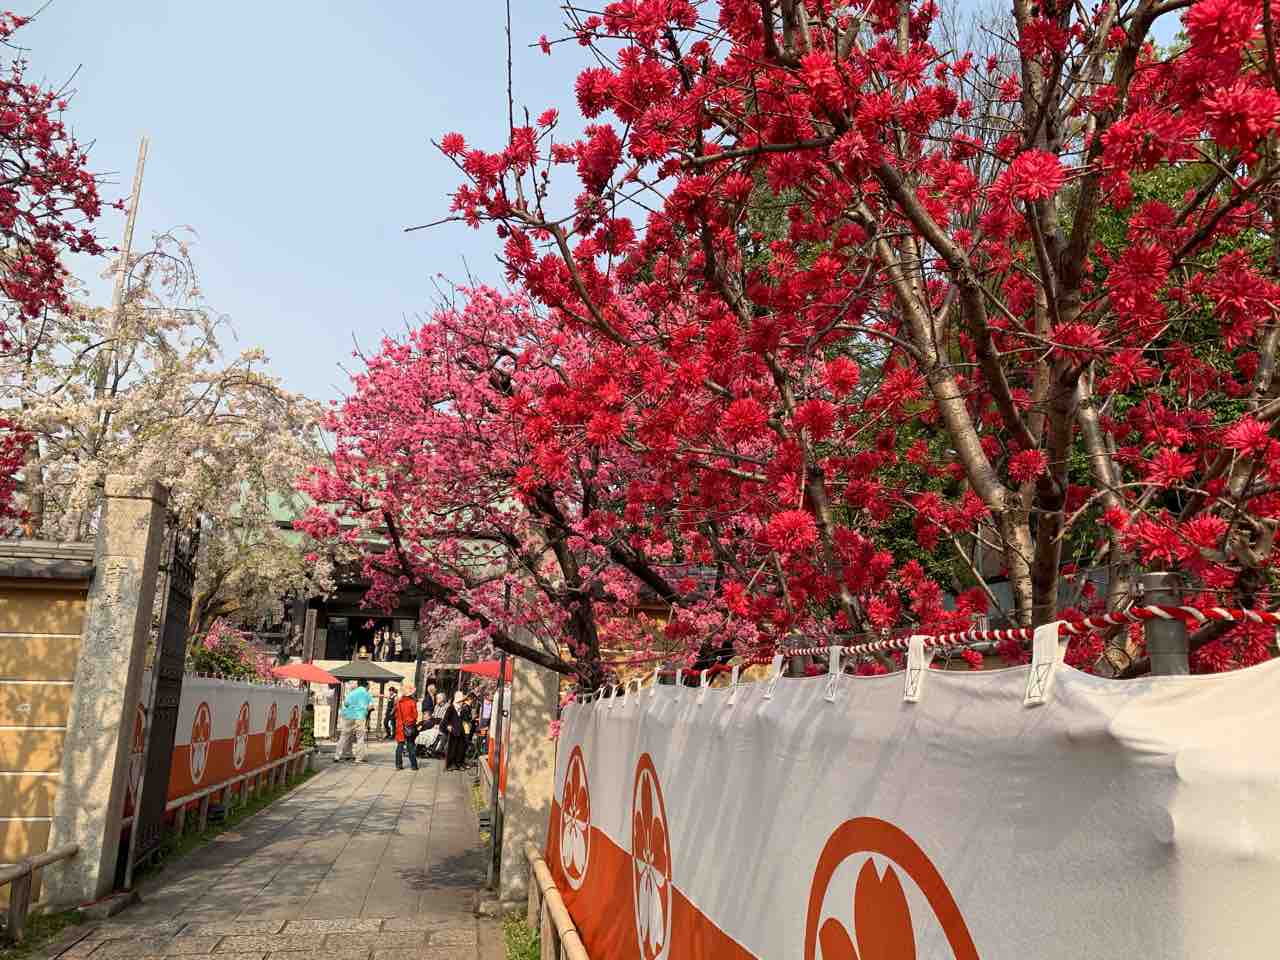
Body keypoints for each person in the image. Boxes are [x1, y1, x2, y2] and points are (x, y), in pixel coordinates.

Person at [335, 679, 372, 763]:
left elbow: (346, 704)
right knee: (360, 737)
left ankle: (338, 755)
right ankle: (358, 758)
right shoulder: (367, 694)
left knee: (344, 736)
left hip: (349, 715)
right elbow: (370, 706)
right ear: (366, 686)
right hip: (360, 716)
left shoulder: (352, 693)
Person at [443, 690, 472, 772]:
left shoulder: (462, 709)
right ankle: (450, 764)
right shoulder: (451, 708)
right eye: (461, 701)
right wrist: (448, 726)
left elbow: (466, 719)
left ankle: (459, 763)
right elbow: (446, 720)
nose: (462, 702)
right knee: (452, 749)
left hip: (461, 731)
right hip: (454, 731)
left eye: (462, 701)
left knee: (460, 748)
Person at [394, 685, 419, 771]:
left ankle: (398, 765)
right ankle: (414, 765)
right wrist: (411, 722)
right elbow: (415, 716)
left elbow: (396, 715)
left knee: (399, 746)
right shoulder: (412, 702)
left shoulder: (398, 702)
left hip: (400, 726)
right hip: (409, 726)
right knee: (410, 745)